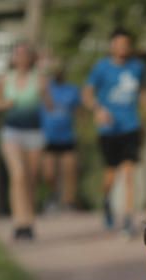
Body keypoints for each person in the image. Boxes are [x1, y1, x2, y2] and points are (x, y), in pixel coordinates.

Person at [83, 27, 146, 235]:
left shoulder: (137, 67)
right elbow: (87, 94)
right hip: (109, 128)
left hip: (130, 126)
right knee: (110, 176)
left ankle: (127, 219)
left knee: (129, 173)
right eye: (119, 43)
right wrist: (98, 110)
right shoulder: (101, 68)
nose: (123, 48)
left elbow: (143, 91)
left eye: (126, 44)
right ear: (112, 45)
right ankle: (106, 201)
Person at [0, 42, 49, 240]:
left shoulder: (39, 79)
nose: (22, 58)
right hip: (12, 132)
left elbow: (49, 105)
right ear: (13, 58)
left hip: (34, 133)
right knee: (18, 175)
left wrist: (45, 94)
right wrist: (5, 103)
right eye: (18, 54)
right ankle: (18, 221)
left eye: (25, 54)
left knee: (31, 179)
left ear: (30, 58)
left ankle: (29, 221)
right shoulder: (4, 80)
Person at [40, 59, 81, 211]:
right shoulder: (45, 89)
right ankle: (54, 195)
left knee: (69, 171)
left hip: (67, 137)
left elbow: (78, 111)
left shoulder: (72, 90)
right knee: (49, 173)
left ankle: (69, 201)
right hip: (49, 137)